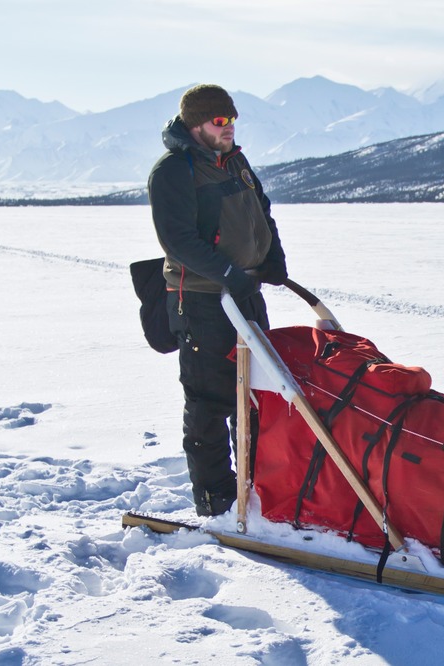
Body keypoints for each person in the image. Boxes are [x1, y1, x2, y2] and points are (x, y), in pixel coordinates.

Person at [148, 84, 287, 516]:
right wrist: (229, 274)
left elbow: (261, 211)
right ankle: (215, 500)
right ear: (196, 125)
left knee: (257, 394)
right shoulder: (175, 170)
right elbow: (178, 239)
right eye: (219, 121)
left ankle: (256, 487)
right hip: (204, 300)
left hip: (245, 294)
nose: (228, 128)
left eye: (231, 119)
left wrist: (273, 258)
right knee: (211, 401)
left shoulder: (235, 161)